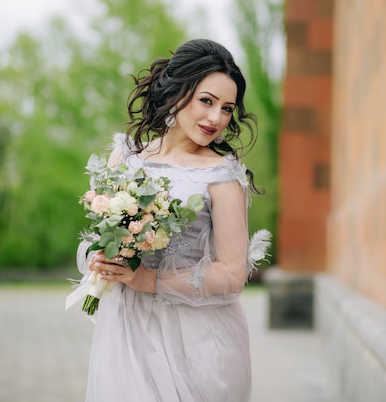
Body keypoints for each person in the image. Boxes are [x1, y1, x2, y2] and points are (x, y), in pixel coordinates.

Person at [75, 39, 270, 402]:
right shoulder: (127, 155)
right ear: (179, 92)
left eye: (227, 109)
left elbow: (232, 273)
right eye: (207, 101)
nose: (216, 119)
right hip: (127, 327)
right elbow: (96, 232)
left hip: (197, 338)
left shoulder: (223, 176)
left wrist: (149, 279)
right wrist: (98, 258)